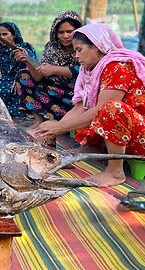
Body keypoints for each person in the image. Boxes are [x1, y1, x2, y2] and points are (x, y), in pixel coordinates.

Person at [33, 23, 145, 187]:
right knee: (84, 113)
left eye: (79, 50)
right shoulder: (91, 71)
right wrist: (52, 129)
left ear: (98, 47)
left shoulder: (119, 66)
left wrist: (60, 127)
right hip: (127, 130)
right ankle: (93, 147)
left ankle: (115, 172)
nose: (76, 56)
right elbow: (80, 107)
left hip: (140, 134)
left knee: (110, 109)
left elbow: (101, 110)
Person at [14, 11, 83, 128]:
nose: (65, 36)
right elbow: (39, 76)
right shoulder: (51, 48)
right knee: (23, 75)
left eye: (69, 31)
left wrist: (54, 70)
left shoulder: (85, 46)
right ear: (55, 33)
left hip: (77, 94)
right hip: (55, 91)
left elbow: (82, 70)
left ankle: (66, 121)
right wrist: (27, 60)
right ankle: (39, 120)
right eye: (61, 32)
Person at [0, 22, 37, 116]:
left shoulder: (24, 48)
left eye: (5, 34)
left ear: (14, 35)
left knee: (24, 80)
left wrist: (19, 77)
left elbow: (35, 64)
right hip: (0, 79)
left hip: (17, 82)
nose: (1, 37)